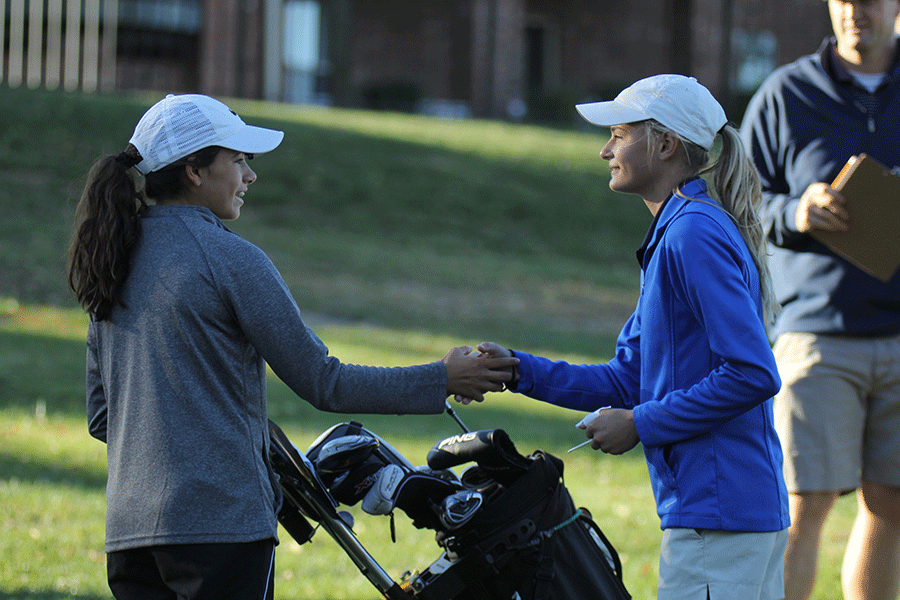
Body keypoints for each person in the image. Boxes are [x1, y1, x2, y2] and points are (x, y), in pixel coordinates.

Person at [66, 93, 518, 600]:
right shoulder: (231, 258)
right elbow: (323, 381)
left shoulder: (111, 260)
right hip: (223, 530)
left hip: (128, 535)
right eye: (237, 161)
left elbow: (104, 418)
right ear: (194, 170)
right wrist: (442, 377)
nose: (250, 176)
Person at [458, 74, 790, 600]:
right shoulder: (676, 231)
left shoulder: (693, 234)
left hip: (721, 518)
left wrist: (640, 423)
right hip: (719, 514)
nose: (604, 150)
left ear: (665, 144)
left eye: (618, 133)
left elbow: (753, 373)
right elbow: (628, 376)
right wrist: (518, 370)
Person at [740, 1, 900, 599]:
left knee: (891, 503)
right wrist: (795, 211)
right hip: (818, 334)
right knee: (803, 500)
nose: (857, 12)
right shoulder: (786, 93)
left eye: (871, 0)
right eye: (845, 1)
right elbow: (740, 202)